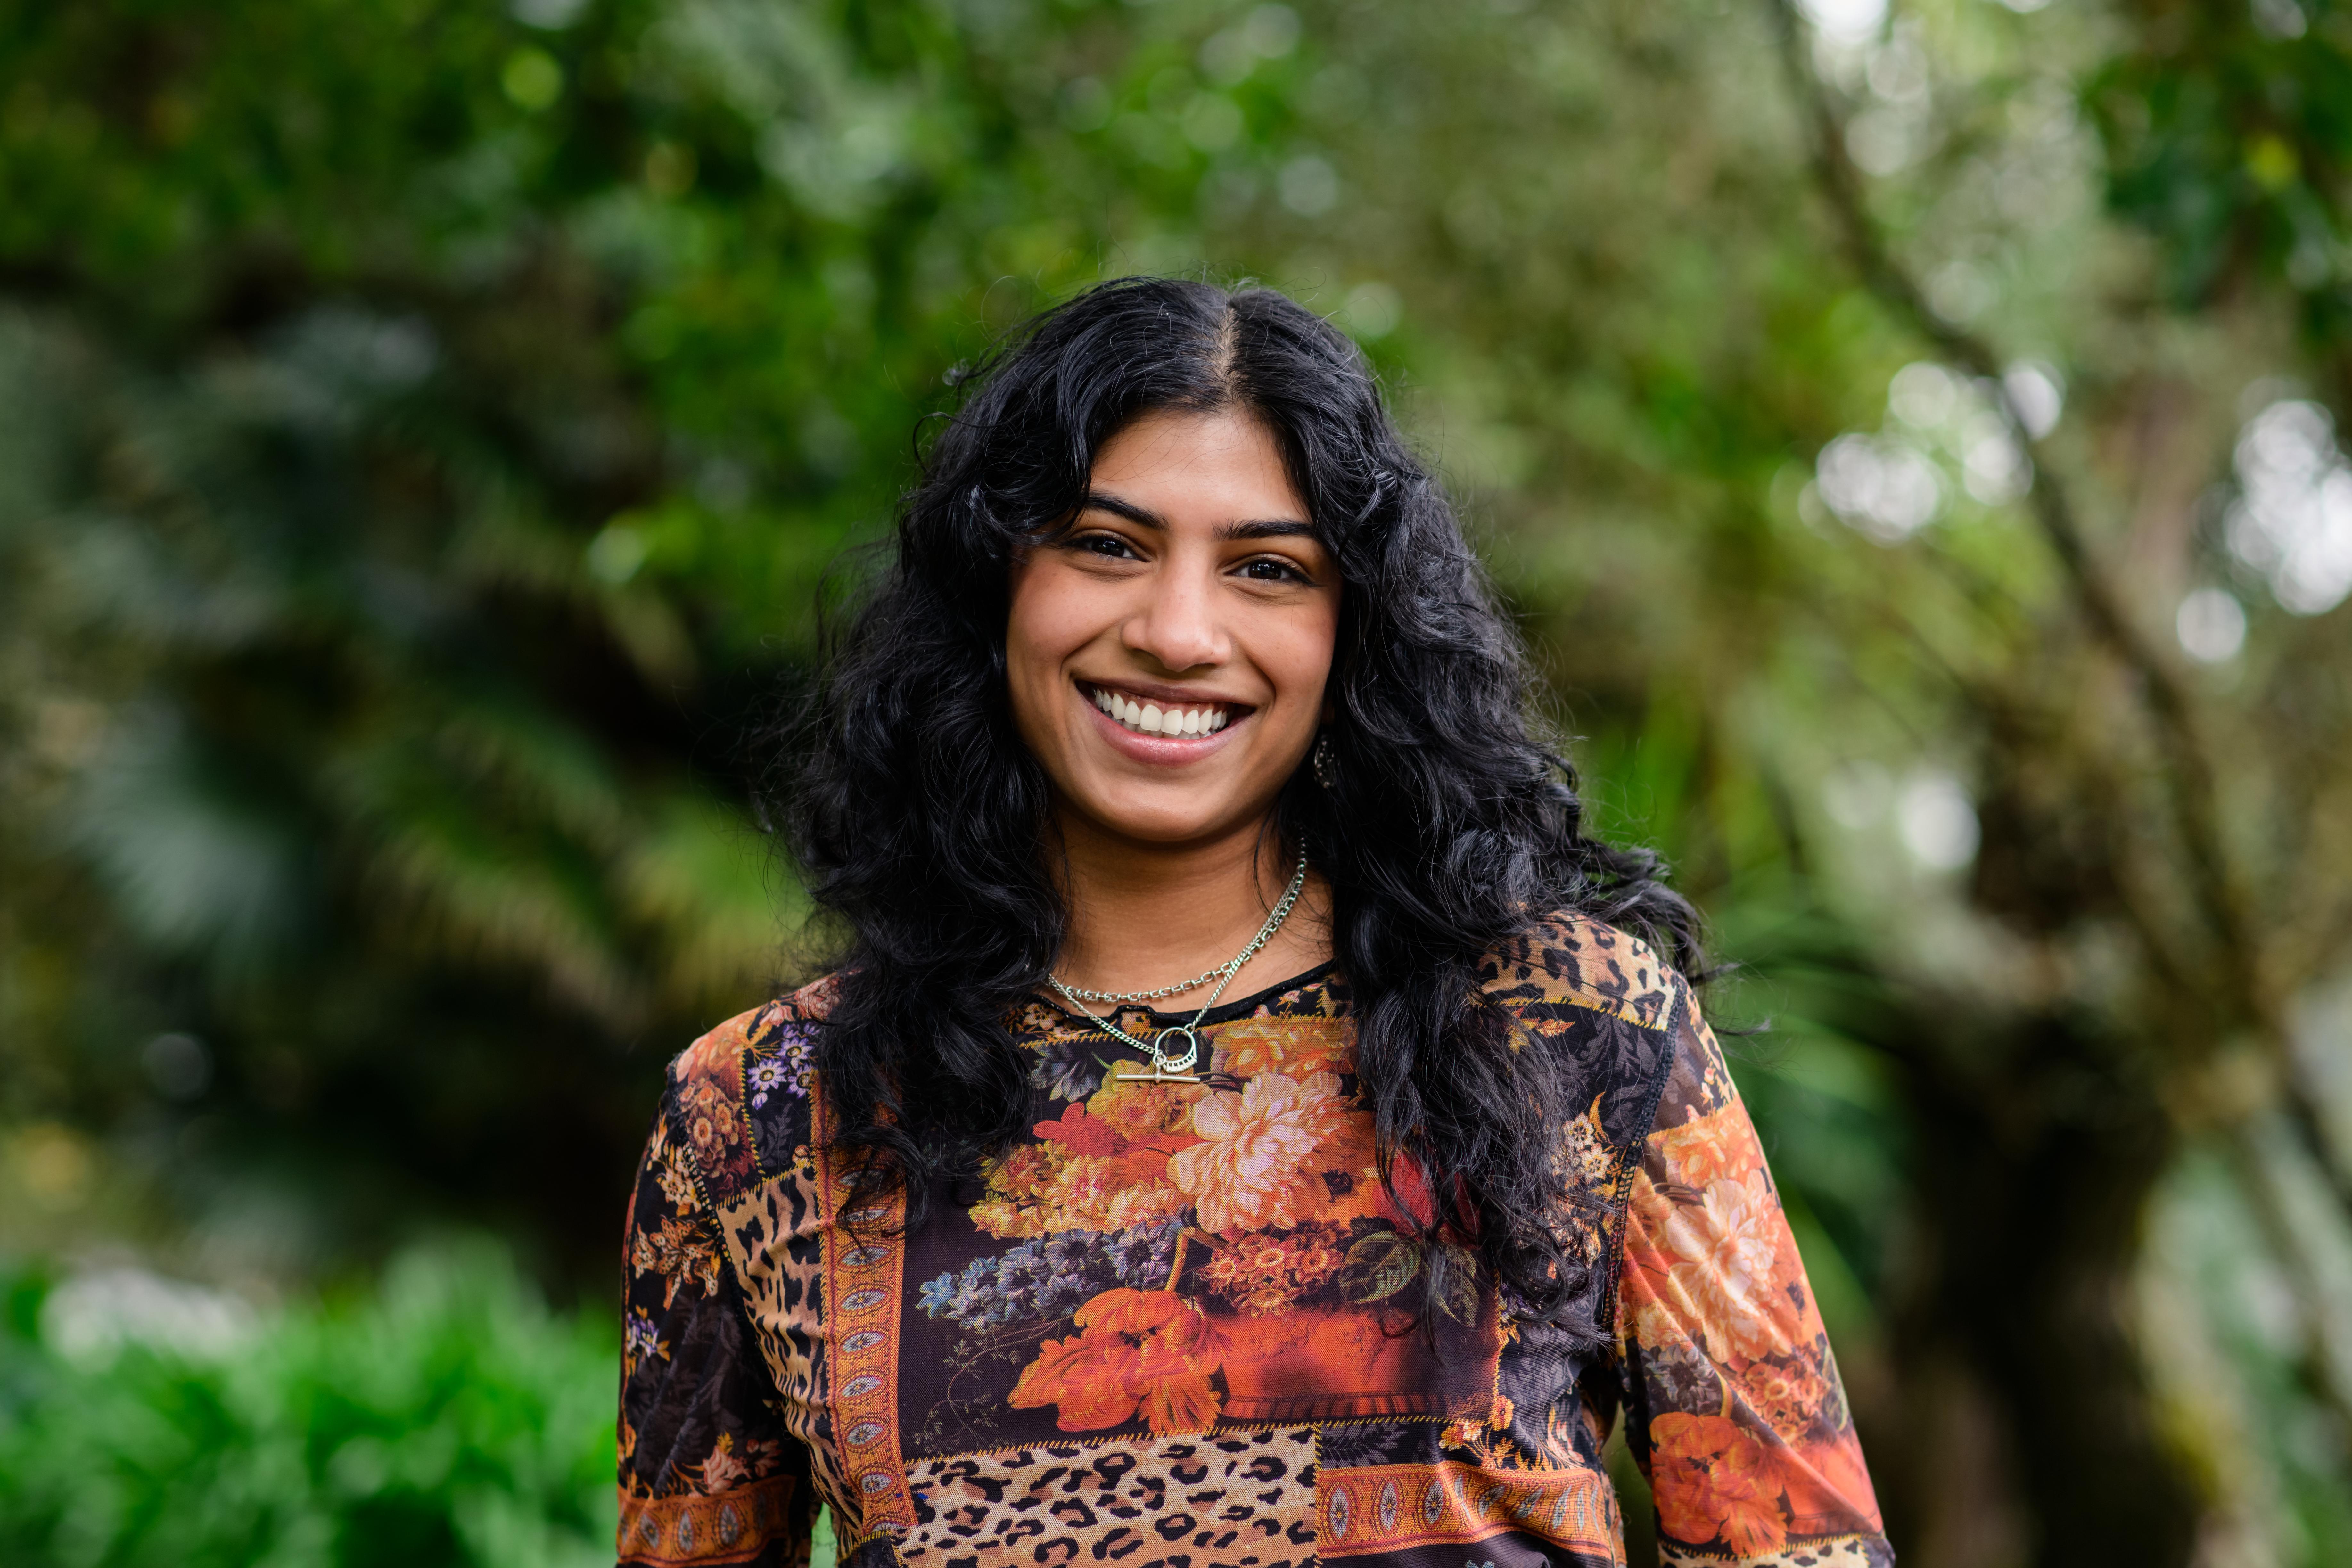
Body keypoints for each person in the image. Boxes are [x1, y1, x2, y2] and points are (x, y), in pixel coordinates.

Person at [615, 278, 1890, 1568]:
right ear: (995, 585)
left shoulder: (1573, 1032)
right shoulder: (762, 1115)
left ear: (1354, 634)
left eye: (1268, 569)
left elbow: (1802, 1553)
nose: (1177, 633)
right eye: (1108, 544)